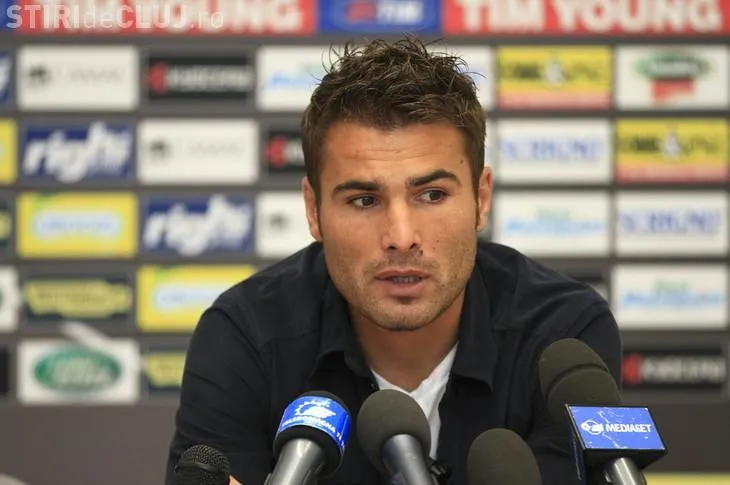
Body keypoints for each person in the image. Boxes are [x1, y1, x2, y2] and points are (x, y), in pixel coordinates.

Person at [164, 36, 621, 485]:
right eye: (364, 200)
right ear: (313, 210)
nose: (401, 238)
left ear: (481, 200)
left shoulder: (564, 336)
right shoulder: (245, 336)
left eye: (432, 195)